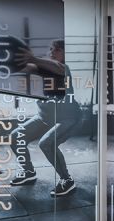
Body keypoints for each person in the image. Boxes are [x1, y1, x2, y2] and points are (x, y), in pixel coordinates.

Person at [9, 39, 81, 197]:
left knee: (47, 143)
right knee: (16, 137)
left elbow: (58, 68)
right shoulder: (43, 67)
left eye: (57, 50)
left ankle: (67, 180)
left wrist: (32, 58)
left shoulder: (64, 68)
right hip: (45, 117)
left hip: (67, 118)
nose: (52, 52)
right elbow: (25, 67)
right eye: (51, 49)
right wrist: (6, 61)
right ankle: (28, 172)